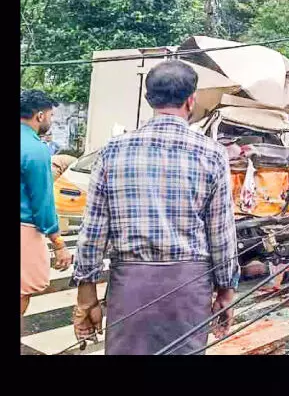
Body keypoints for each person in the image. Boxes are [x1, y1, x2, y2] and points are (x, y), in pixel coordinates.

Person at [71, 59, 239, 355]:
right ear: (191, 100)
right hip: (189, 287)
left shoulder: (113, 151)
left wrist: (87, 297)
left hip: (130, 287)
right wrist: (226, 290)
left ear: (149, 99)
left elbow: (93, 230)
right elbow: (221, 233)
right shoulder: (213, 154)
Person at [21, 90, 73, 317]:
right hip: (24, 230)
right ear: (40, 116)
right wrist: (59, 244)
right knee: (22, 291)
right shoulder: (36, 149)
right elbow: (42, 203)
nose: (51, 121)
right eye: (51, 115)